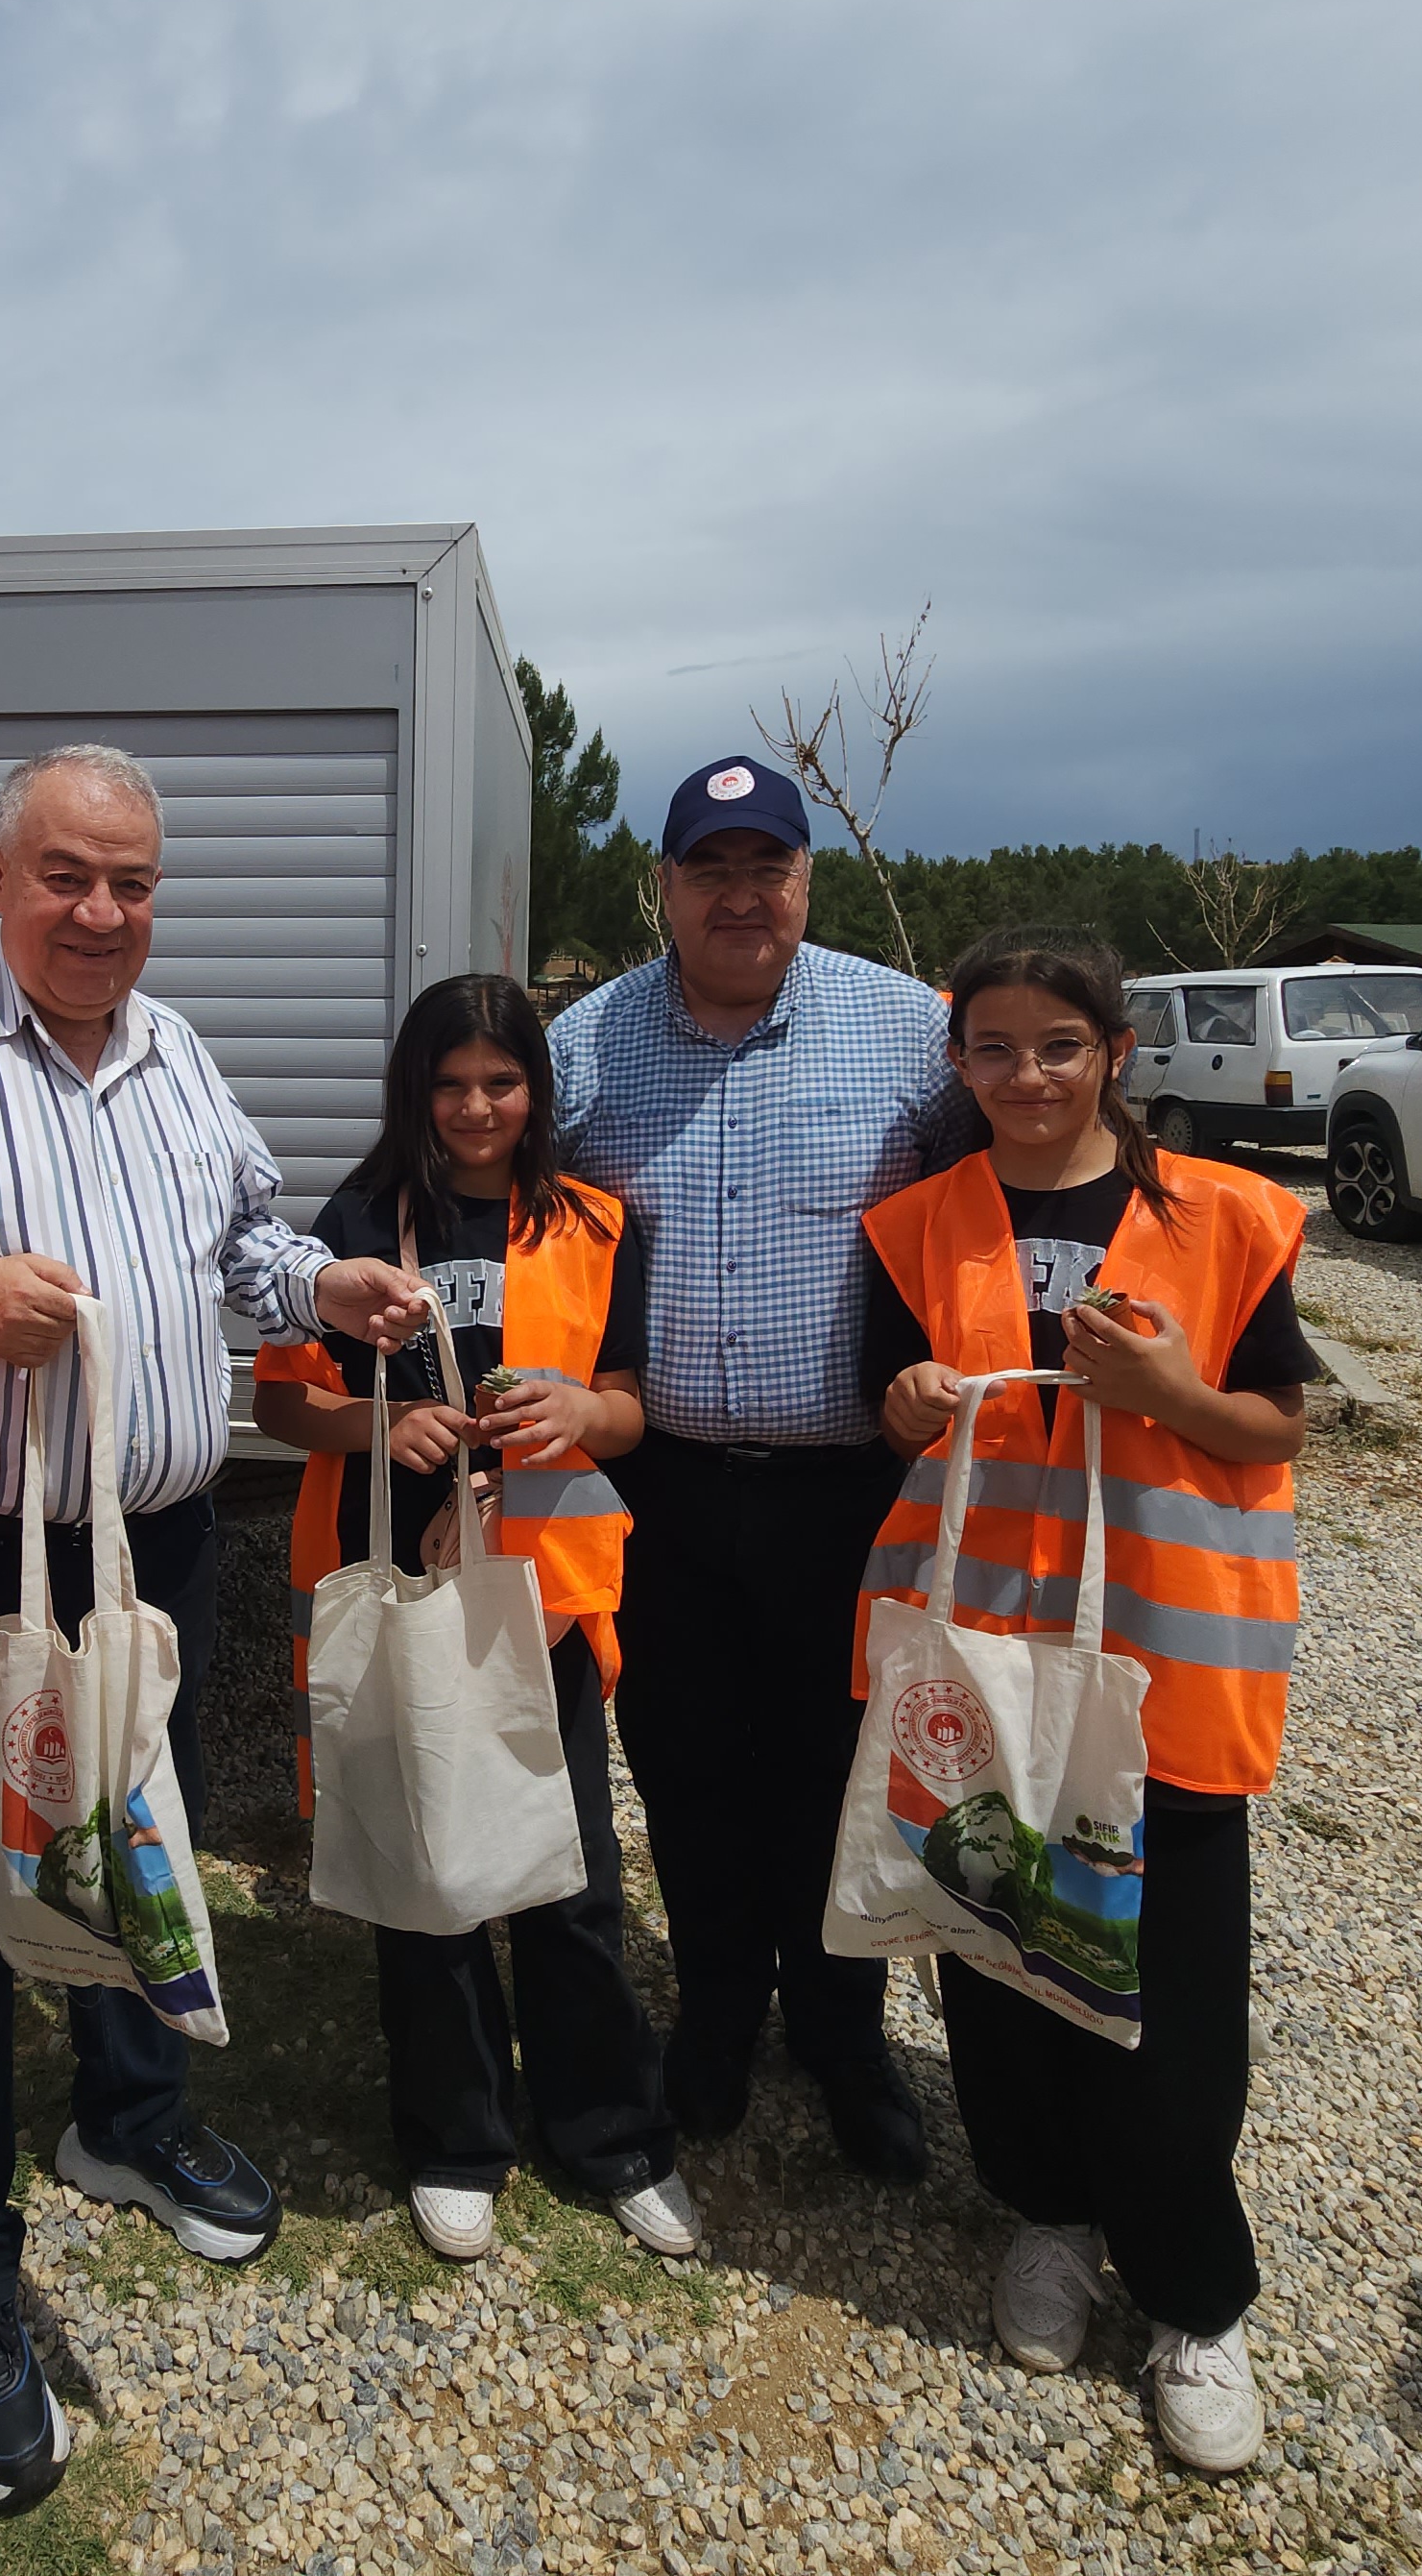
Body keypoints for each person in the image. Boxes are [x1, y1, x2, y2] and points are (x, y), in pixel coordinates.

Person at [0, 741, 424, 2512]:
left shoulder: (173, 1049)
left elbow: (238, 1244)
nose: (101, 913)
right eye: (66, 877)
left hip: (154, 1547)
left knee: (135, 1844)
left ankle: (122, 2116)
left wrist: (317, 1287)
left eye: (130, 884)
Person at [858, 931, 1318, 2475]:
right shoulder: (919, 1224)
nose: (1024, 1077)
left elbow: (1272, 1425)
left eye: (1056, 1046)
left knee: (1173, 2000)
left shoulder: (1231, 1219)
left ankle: (1194, 2294)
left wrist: (1172, 1400)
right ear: (958, 1066)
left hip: (1163, 1673)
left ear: (1113, 1053)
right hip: (981, 1663)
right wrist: (907, 1402)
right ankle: (1045, 2217)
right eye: (990, 1050)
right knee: (996, 1950)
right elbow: (887, 1397)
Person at [547, 754, 975, 2181]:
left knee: (840, 1766)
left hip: (852, 1490)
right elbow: (487, 1194)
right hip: (659, 1489)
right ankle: (720, 2012)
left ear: (807, 880)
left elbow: (1009, 1188)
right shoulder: (588, 1047)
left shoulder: (909, 1034)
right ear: (661, 886)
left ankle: (841, 2029)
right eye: (708, 868)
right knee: (684, 1763)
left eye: (766, 866)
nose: (740, 894)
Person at [250, 973, 699, 2266]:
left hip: (541, 1594)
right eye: (448, 1084)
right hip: (392, 1582)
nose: (474, 1107)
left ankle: (611, 2132)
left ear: (536, 1093)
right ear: (415, 1091)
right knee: (426, 1864)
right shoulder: (357, 1221)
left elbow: (629, 1406)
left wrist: (577, 1414)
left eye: (500, 1082)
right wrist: (381, 1424)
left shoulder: (598, 1223)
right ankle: (456, 2138)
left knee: (567, 1879)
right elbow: (286, 1407)